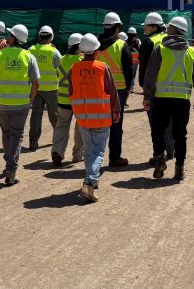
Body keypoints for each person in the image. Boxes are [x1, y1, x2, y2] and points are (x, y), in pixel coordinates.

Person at [142, 17, 194, 182]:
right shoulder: (191, 51)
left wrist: (147, 96)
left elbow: (150, 74)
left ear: (174, 30)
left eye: (169, 27)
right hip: (182, 100)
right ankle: (179, 168)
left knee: (158, 131)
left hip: (161, 99)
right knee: (180, 134)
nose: (167, 29)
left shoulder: (160, 49)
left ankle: (160, 161)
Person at [69, 33, 122, 202]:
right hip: (101, 116)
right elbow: (112, 91)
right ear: (97, 51)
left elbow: (70, 92)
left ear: (82, 51)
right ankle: (90, 181)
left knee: (89, 150)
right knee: (98, 151)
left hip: (83, 117)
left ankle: (92, 179)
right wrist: (116, 111)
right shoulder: (102, 67)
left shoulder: (74, 68)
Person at [0, 24, 40, 185]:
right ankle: (11, 168)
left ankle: (8, 162)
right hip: (21, 104)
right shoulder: (28, 56)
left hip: (3, 102)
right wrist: (30, 99)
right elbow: (36, 83)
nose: (7, 37)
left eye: (9, 35)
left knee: (6, 133)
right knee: (17, 135)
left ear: (13, 38)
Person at [97, 12, 134, 168]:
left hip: (97, 89)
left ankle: (94, 158)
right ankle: (114, 157)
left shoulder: (95, 44)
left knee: (97, 124)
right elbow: (128, 70)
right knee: (116, 125)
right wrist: (127, 89)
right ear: (117, 27)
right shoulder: (121, 45)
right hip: (118, 91)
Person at [137, 12, 173, 163]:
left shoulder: (148, 43)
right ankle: (171, 151)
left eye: (145, 27)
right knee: (169, 122)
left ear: (153, 26)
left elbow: (144, 70)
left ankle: (159, 154)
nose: (144, 30)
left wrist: (144, 89)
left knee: (156, 125)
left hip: (154, 90)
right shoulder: (169, 39)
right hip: (171, 88)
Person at [51, 33, 85, 166]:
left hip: (63, 100)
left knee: (61, 126)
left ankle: (57, 151)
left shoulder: (60, 59)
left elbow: (58, 75)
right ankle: (77, 155)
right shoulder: (82, 62)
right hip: (78, 101)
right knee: (81, 127)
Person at [27, 25, 60, 150]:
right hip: (51, 89)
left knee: (36, 114)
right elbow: (59, 69)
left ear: (39, 36)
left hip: (35, 88)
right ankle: (58, 138)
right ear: (51, 37)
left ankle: (33, 141)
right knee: (54, 114)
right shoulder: (54, 52)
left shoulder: (31, 50)